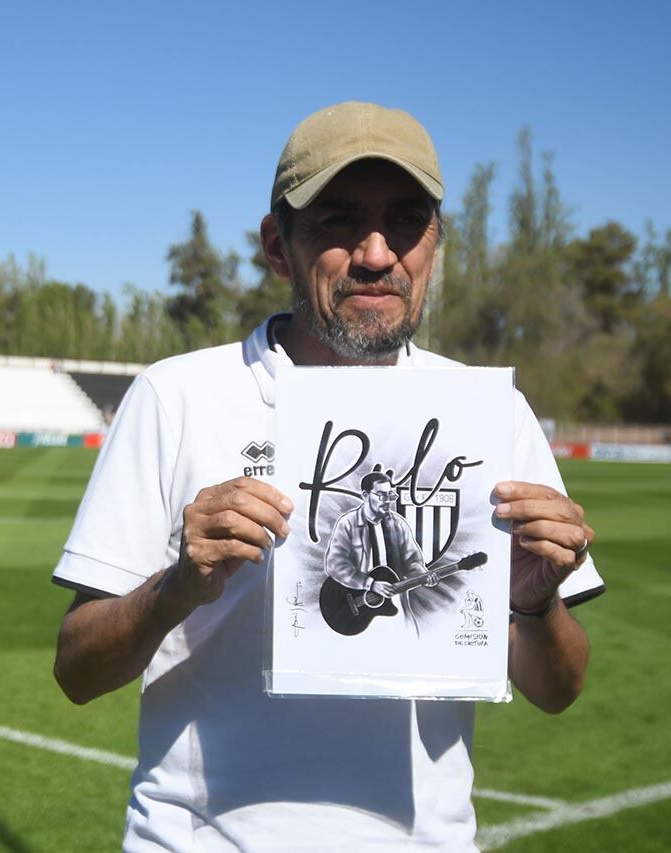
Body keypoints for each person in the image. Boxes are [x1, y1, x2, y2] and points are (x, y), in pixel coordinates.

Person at [52, 102, 603, 851]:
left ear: (434, 249)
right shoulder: (176, 395)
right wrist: (176, 584)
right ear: (279, 246)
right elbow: (78, 670)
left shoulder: (490, 413)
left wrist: (537, 607)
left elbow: (558, 688)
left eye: (407, 221)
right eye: (338, 220)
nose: (377, 254)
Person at [324, 470, 433, 628]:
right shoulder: (348, 523)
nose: (387, 501)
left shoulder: (398, 524)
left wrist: (423, 574)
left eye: (390, 495)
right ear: (365, 495)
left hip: (396, 607)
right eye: (381, 495)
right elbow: (335, 564)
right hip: (359, 607)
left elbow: (412, 561)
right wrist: (371, 584)